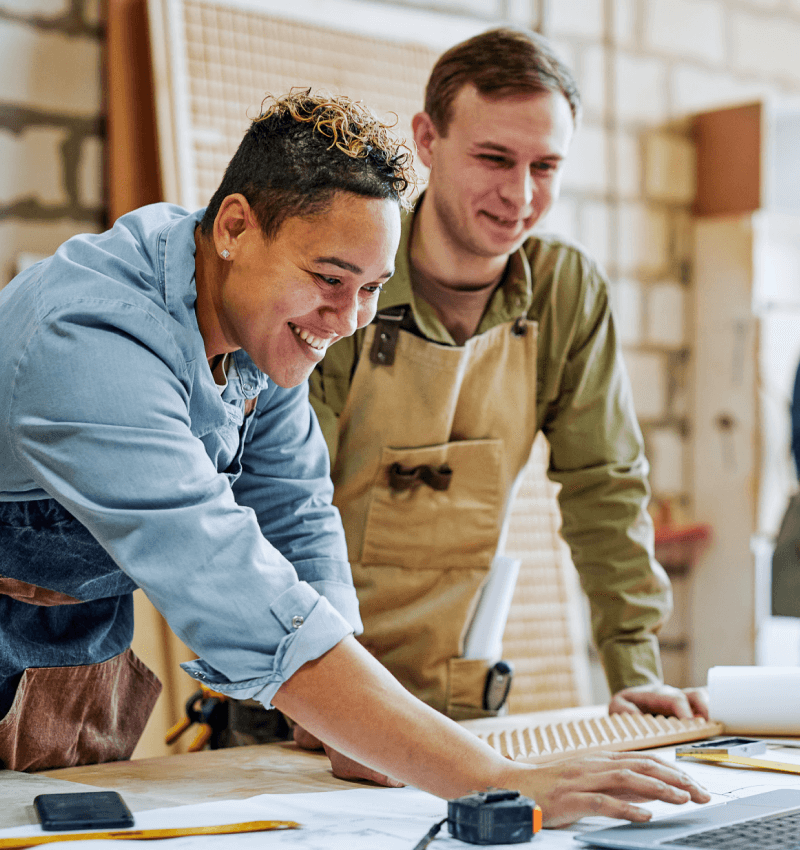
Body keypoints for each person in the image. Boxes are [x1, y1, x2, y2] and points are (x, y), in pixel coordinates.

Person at [0, 89, 708, 826]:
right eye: (330, 278)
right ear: (234, 226)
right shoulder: (92, 339)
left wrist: (334, 722)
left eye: (372, 289)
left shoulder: (261, 325)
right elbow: (229, 580)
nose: (348, 319)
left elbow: (296, 508)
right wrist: (498, 781)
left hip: (57, 655)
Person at [289, 28, 709, 782]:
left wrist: (634, 668)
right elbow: (285, 499)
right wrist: (315, 692)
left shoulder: (564, 291)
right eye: (494, 159)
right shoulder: (347, 275)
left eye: (545, 167)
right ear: (427, 138)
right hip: (303, 699)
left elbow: (603, 486)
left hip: (459, 705)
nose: (520, 196)